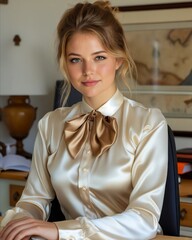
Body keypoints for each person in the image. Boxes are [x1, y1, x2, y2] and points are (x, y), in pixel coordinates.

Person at [0, 1, 168, 240]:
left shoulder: (148, 124)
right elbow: (33, 200)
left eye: (99, 57)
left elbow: (144, 219)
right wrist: (20, 225)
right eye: (76, 60)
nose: (88, 71)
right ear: (65, 64)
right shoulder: (51, 124)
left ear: (118, 59)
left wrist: (59, 230)